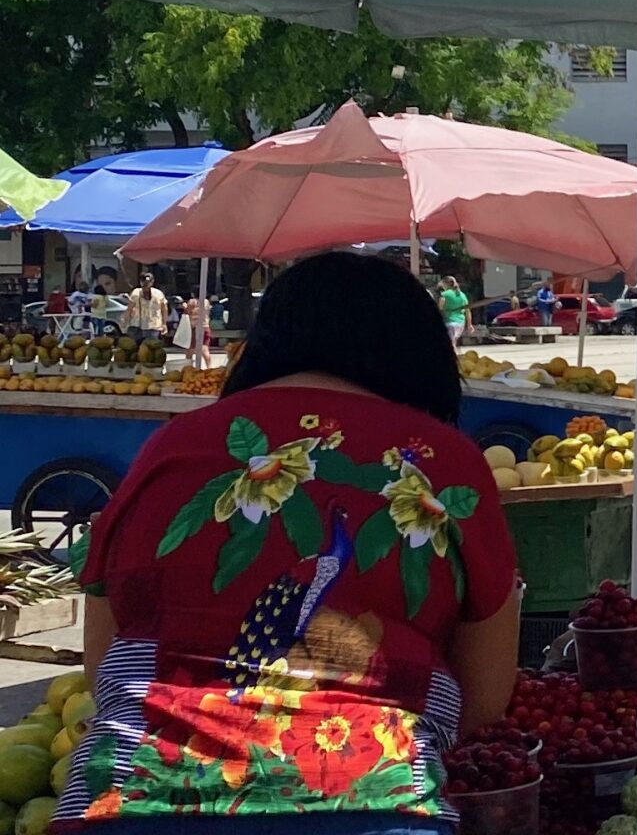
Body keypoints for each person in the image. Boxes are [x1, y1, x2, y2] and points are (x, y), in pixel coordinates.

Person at [68, 251, 521, 828]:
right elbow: (483, 702)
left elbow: (103, 657)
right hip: (370, 808)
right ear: (419, 351)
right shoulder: (444, 467)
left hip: (132, 804)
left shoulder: (174, 445)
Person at [124, 272, 169, 340]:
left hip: (137, 325)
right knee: (151, 347)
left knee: (135, 348)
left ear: (141, 282)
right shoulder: (159, 293)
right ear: (152, 282)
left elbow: (129, 309)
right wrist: (164, 324)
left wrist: (125, 323)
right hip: (154, 325)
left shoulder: (136, 292)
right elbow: (164, 310)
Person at [437, 274, 471, 346]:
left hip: (449, 322)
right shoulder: (462, 295)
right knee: (453, 343)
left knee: (450, 345)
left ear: (446, 284)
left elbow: (439, 309)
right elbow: (468, 311)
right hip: (460, 323)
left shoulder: (444, 295)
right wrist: (469, 324)